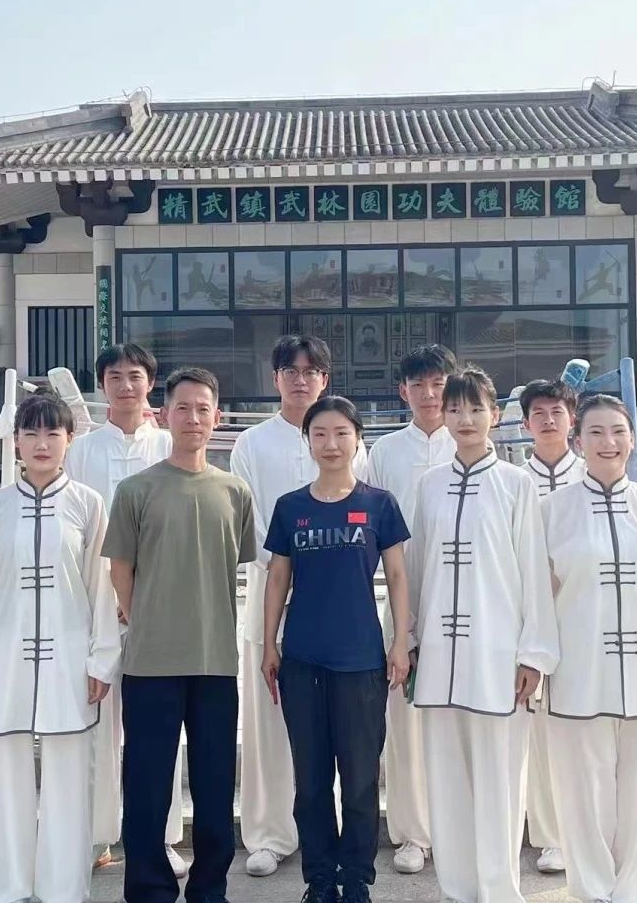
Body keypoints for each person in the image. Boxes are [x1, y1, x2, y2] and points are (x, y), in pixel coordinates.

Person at [0, 394, 119, 903]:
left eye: (52, 433)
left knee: (70, 775)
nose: (41, 444)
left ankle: (64, 885)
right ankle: (9, 884)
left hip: (69, 656)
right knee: (3, 773)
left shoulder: (88, 504)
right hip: (4, 655)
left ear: (70, 440)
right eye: (31, 433)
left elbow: (101, 587)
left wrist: (101, 659)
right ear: (16, 443)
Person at [104, 367, 256, 903]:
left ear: (217, 417)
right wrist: (143, 616)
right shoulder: (135, 490)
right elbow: (120, 570)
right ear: (163, 415)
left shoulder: (235, 492)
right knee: (146, 785)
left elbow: (238, 564)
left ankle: (210, 888)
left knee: (214, 786)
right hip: (150, 663)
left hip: (216, 660)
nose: (193, 418)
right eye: (182, 408)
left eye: (203, 408)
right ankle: (149, 889)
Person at [408, 367, 558, 903]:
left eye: (475, 408)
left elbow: (534, 572)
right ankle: (457, 888)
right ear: (442, 414)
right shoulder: (429, 485)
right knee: (446, 778)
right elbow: (415, 569)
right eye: (454, 409)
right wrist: (407, 641)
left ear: (495, 415)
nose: (465, 419)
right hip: (439, 657)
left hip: (499, 656)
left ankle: (498, 889)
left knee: (500, 778)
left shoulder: (517, 484)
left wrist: (534, 653)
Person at [261, 397, 412, 903]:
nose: (331, 444)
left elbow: (397, 575)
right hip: (302, 660)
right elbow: (277, 578)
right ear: (307, 442)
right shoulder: (291, 507)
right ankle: (321, 879)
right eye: (320, 434)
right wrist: (269, 644)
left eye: (342, 433)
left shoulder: (379, 504)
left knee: (361, 780)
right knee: (311, 781)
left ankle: (358, 879)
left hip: (362, 661)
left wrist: (400, 642)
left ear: (357, 439)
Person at [230, 335, 366, 878]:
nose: (301, 379)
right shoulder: (251, 444)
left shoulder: (348, 437)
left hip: (335, 606)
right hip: (270, 592)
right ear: (276, 378)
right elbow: (248, 518)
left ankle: (336, 838)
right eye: (291, 370)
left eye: (312, 371)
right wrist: (288, 560)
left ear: (325, 379)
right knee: (268, 724)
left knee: (337, 730)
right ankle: (269, 834)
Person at [541, 394, 637, 903]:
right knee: (582, 786)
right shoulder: (551, 511)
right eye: (596, 432)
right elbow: (542, 595)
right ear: (578, 440)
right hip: (578, 665)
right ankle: (593, 888)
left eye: (619, 431)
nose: (609, 442)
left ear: (632, 439)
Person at [64, 344, 188, 878]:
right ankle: (97, 835)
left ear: (150, 384)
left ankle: (161, 838)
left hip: (160, 602)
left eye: (135, 376)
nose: (125, 386)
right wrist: (106, 598)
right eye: (114, 376)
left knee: (159, 727)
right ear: (102, 385)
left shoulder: (169, 443)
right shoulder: (82, 450)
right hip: (95, 601)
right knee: (97, 725)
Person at [363, 344, 457, 876]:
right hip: (403, 598)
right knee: (404, 719)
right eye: (418, 384)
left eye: (438, 383)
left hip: (463, 598)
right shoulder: (385, 452)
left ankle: (456, 827)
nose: (429, 394)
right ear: (403, 391)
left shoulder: (470, 442)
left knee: (458, 717)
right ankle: (411, 833)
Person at [515, 378, 587, 877]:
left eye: (556, 412)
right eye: (537, 413)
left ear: (571, 419)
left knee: (581, 729)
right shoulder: (513, 481)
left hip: (581, 616)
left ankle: (586, 829)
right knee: (539, 731)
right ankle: (549, 835)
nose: (547, 420)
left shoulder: (591, 475)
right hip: (529, 615)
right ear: (524, 423)